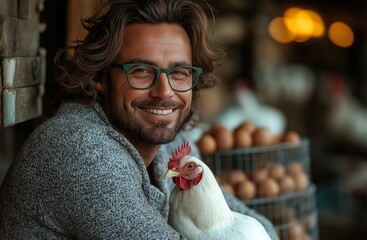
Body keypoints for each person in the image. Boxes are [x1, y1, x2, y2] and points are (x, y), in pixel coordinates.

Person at [0, 0, 279, 239]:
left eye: (179, 73)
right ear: (101, 78)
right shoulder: (80, 149)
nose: (164, 92)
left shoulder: (171, 148)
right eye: (142, 71)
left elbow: (256, 228)